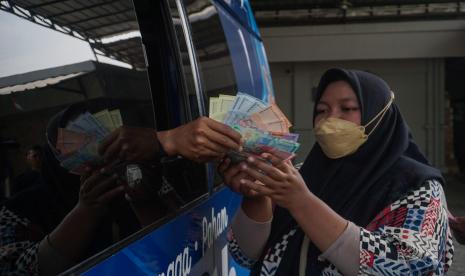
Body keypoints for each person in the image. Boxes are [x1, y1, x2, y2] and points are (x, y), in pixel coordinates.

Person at [219, 68, 454, 275]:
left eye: (348, 108)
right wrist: (256, 198)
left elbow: (406, 266)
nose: (330, 119)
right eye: (321, 110)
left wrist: (302, 203)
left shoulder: (419, 187)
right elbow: (247, 256)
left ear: (379, 115)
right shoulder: (300, 175)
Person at [0, 99, 241, 275]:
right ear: (54, 160)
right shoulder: (21, 208)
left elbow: (188, 247)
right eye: (77, 155)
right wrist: (85, 212)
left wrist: (142, 200)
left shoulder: (145, 179)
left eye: (106, 148)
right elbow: (17, 270)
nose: (97, 164)